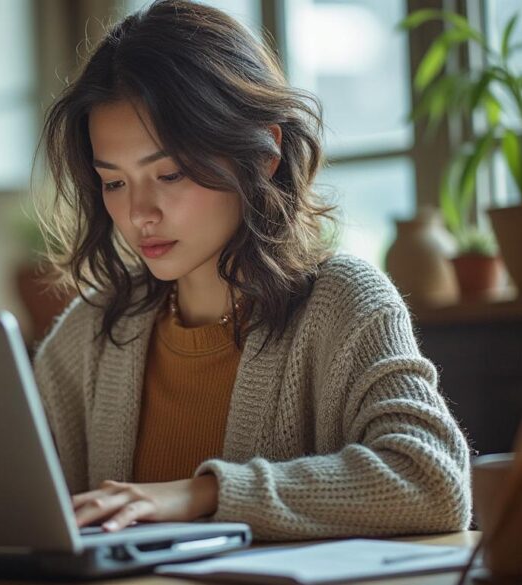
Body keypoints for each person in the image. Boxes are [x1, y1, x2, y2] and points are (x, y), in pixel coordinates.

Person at [32, 0, 471, 541]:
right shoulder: (92, 331)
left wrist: (202, 495)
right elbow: (8, 499)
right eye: (114, 182)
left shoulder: (344, 304)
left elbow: (433, 482)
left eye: (169, 174)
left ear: (264, 151)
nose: (139, 213)